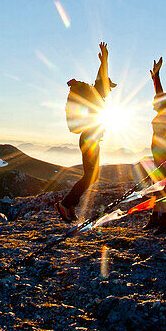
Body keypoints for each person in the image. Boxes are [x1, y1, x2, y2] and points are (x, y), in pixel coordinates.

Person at [57, 42, 116, 222]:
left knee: (91, 175)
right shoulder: (96, 93)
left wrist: (104, 60)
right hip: (89, 139)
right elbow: (101, 78)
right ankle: (65, 204)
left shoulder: (97, 94)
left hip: (90, 139)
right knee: (91, 176)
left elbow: (101, 76)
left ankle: (70, 206)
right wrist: (104, 59)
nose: (110, 89)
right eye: (109, 86)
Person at [142, 57, 166, 233]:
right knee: (158, 187)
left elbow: (160, 95)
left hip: (162, 153)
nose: (153, 103)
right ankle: (156, 218)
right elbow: (159, 95)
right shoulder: (164, 111)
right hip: (158, 153)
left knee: (162, 187)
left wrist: (157, 77)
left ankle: (165, 219)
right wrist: (155, 78)